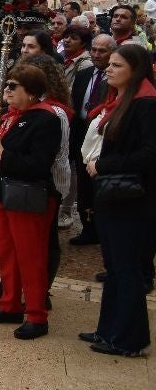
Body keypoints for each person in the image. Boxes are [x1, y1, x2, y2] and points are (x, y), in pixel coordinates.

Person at [0, 64, 62, 339]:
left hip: (29, 197)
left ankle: (37, 315)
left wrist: (2, 155)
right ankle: (10, 304)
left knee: (31, 257)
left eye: (13, 86)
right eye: (7, 85)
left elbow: (39, 163)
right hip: (3, 193)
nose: (7, 90)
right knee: (8, 254)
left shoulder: (46, 118)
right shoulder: (6, 116)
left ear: (32, 91)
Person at [83, 43, 156, 356]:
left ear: (135, 70)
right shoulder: (120, 100)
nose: (108, 70)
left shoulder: (146, 103)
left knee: (126, 268)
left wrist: (102, 165)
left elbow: (149, 154)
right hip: (112, 194)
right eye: (109, 64)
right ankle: (109, 329)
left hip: (131, 197)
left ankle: (129, 338)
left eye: (116, 66)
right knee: (114, 266)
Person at [69, 34, 115, 246]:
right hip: (81, 135)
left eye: (102, 51)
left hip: (103, 138)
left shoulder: (114, 78)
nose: (96, 55)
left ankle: (101, 227)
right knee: (84, 183)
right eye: (94, 50)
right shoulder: (85, 73)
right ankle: (87, 227)